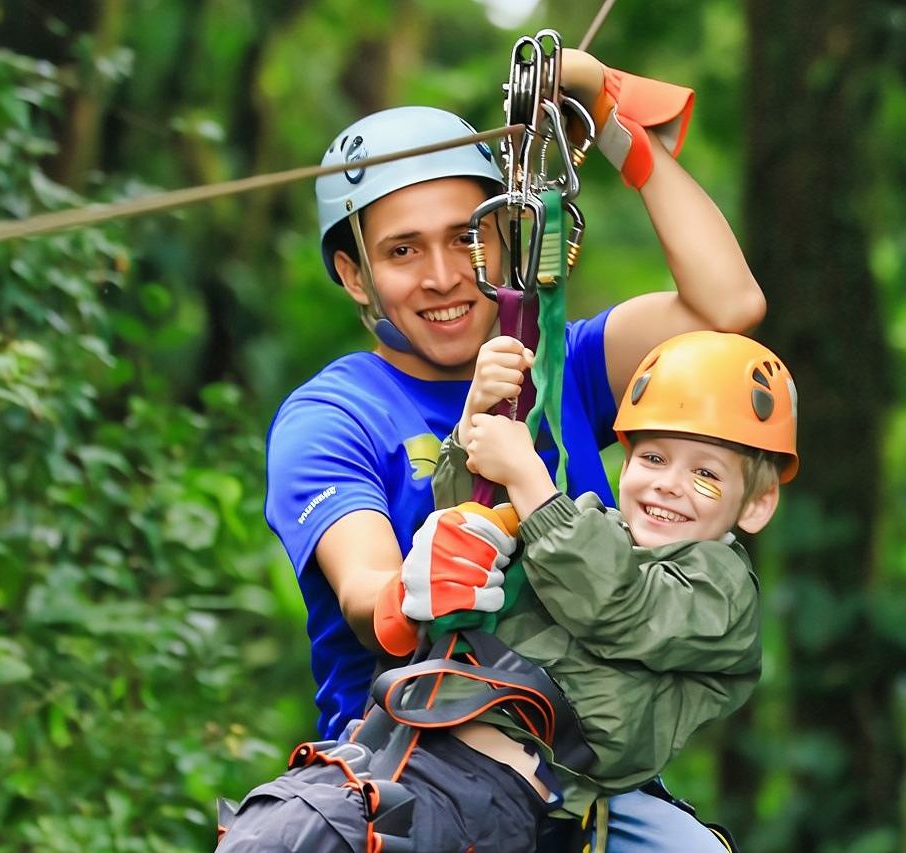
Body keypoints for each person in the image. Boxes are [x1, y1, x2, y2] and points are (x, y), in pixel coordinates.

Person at [261, 48, 765, 850]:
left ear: (504, 230)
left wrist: (607, 117)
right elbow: (364, 591)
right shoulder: (333, 415)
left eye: (467, 236)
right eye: (401, 251)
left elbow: (728, 302)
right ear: (354, 275)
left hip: (583, 780)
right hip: (418, 772)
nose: (442, 275)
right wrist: (410, 590)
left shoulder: (563, 362)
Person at [220, 332, 798, 853]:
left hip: (514, 792)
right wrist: (473, 435)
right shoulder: (593, 528)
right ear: (624, 464)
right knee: (287, 831)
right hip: (414, 741)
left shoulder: (719, 589)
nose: (668, 484)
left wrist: (530, 478)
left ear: (755, 504)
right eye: (652, 457)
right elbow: (480, 519)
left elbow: (618, 604)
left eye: (705, 474)